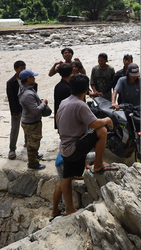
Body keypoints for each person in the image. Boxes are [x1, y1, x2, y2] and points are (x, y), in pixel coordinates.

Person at [57, 74, 117, 215]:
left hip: (64, 148)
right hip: (74, 147)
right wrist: (107, 119)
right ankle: (98, 164)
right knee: (102, 130)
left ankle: (69, 208)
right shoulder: (80, 104)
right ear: (86, 90)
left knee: (67, 178)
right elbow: (94, 123)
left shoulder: (64, 102)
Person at [18, 69, 52, 170]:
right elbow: (36, 111)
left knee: (33, 141)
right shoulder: (28, 94)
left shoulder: (25, 89)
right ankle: (33, 163)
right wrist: (44, 103)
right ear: (28, 79)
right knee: (33, 144)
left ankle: (35, 155)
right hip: (31, 122)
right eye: (33, 77)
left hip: (29, 120)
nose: (34, 78)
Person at [50, 151, 95, 221]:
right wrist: (86, 165)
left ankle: (54, 211)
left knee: (60, 184)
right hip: (69, 161)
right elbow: (82, 151)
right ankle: (88, 182)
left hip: (59, 160)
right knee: (95, 155)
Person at [6, 60, 36, 160]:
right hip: (17, 109)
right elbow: (11, 98)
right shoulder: (11, 82)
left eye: (24, 68)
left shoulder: (30, 80)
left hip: (27, 108)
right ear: (15, 69)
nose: (23, 70)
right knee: (15, 129)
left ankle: (27, 143)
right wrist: (14, 112)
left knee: (28, 127)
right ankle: (12, 149)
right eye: (21, 69)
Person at [53, 63, 73, 130]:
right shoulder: (68, 88)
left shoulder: (58, 86)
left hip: (59, 118)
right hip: (67, 120)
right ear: (71, 72)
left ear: (60, 74)